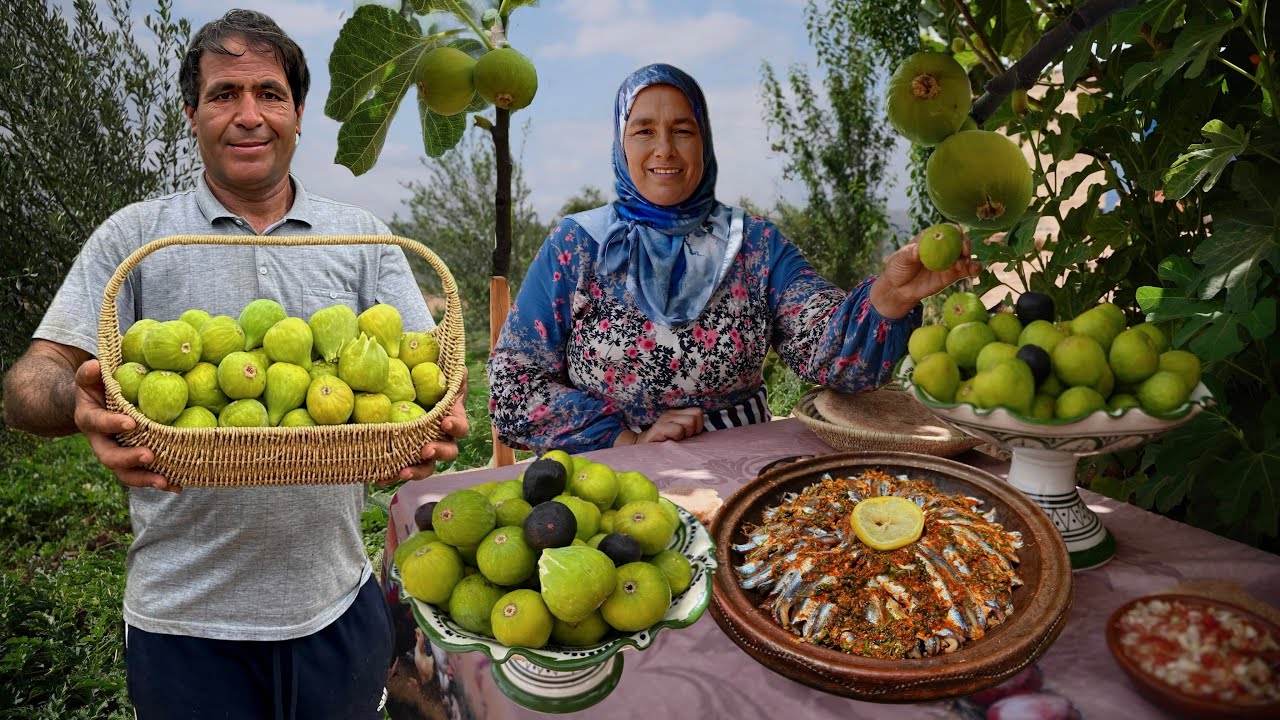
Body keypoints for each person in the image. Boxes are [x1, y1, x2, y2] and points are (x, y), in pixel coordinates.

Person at [1, 10, 467, 719]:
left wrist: (439, 419)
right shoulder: (135, 236)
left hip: (336, 608)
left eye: (269, 94)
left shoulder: (362, 237)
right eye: (224, 94)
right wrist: (78, 401)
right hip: (183, 624)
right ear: (192, 113)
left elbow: (422, 372)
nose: (249, 115)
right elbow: (28, 382)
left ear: (298, 113)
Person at [488, 63, 979, 453]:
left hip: (743, 468)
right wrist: (626, 439)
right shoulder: (577, 245)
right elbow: (513, 385)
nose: (665, 148)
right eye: (643, 131)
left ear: (704, 142)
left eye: (682, 129)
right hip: (612, 483)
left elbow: (829, 354)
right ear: (620, 143)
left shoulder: (753, 244)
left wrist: (889, 297)